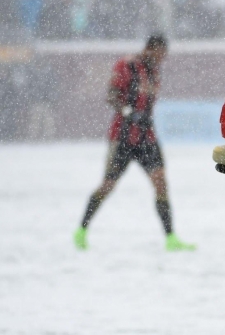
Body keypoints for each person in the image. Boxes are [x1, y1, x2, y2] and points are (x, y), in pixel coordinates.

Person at [73, 34, 194, 251]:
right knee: (107, 186)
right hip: (123, 138)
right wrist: (129, 112)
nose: (161, 60)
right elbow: (111, 96)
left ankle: (170, 238)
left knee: (160, 183)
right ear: (150, 49)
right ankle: (81, 230)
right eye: (159, 54)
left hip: (147, 137)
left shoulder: (154, 71)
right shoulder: (127, 66)